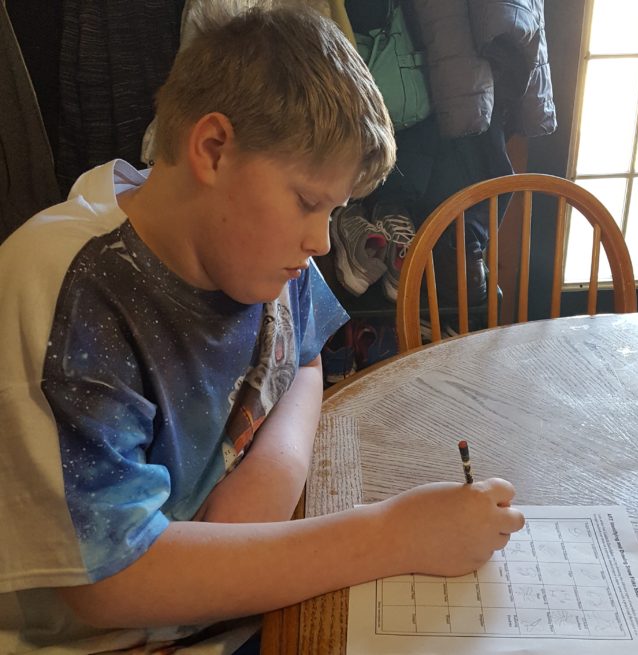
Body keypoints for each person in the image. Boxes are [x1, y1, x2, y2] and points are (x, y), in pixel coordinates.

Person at [0, 5, 524, 654]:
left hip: (237, 603)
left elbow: (305, 356)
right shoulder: (72, 290)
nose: (321, 240)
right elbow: (111, 578)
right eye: (308, 201)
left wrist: (266, 483)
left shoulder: (261, 249)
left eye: (334, 211)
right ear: (213, 149)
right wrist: (394, 535)